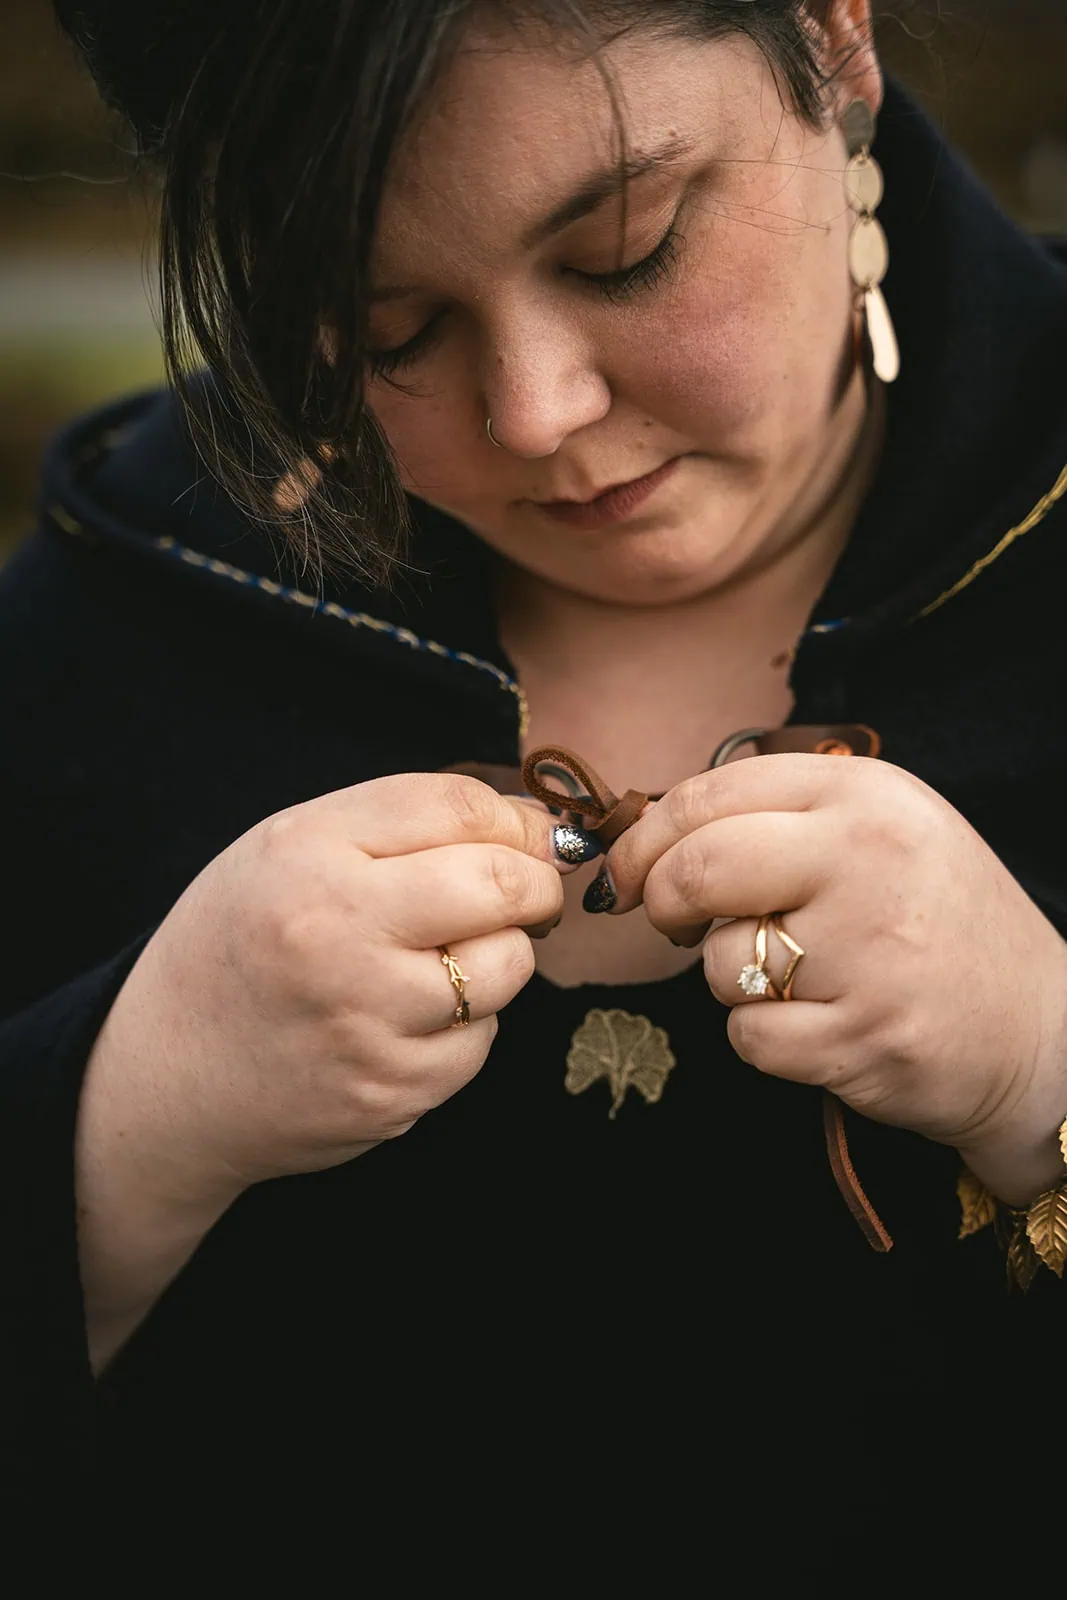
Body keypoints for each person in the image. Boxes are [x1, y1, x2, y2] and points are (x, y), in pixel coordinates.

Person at [3, 0, 1065, 1573]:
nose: (538, 414)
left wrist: (1041, 1067)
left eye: (625, 248)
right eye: (381, 331)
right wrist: (124, 1119)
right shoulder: (125, 607)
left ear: (833, 42)